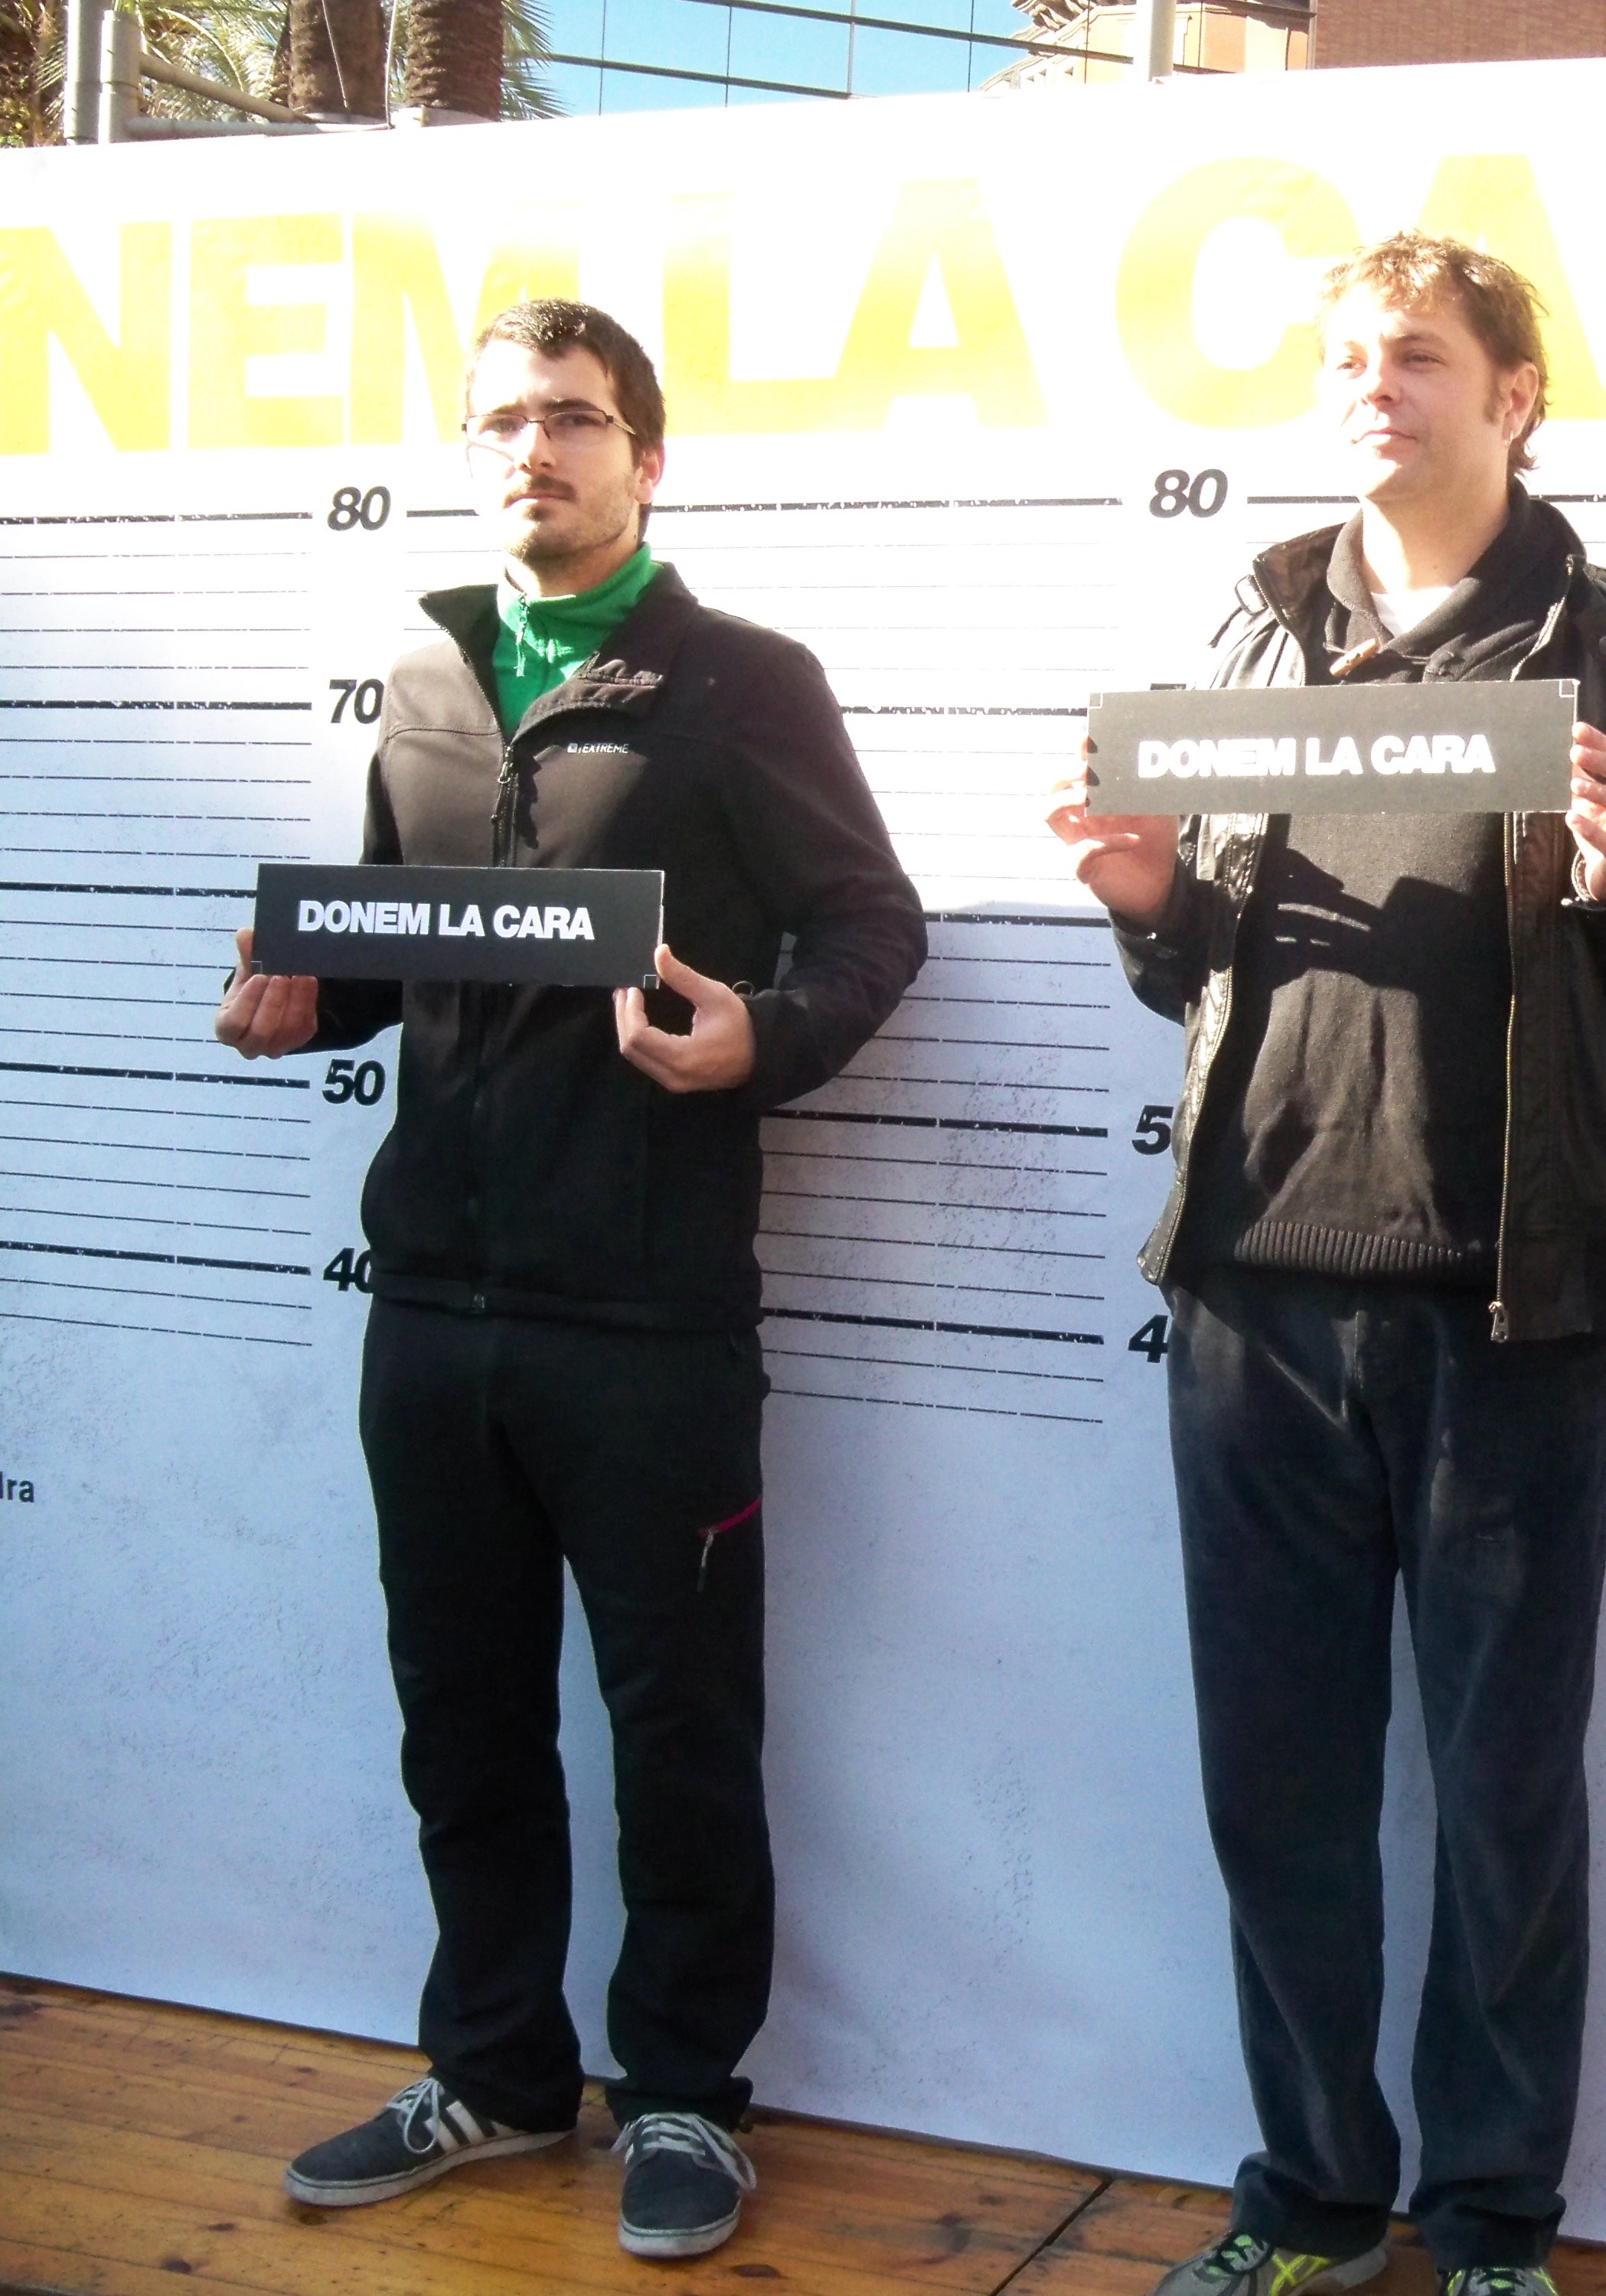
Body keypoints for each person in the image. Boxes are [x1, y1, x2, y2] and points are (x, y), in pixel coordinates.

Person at [1046, 232, 1606, 2296]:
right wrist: (1142, 901)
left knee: (1501, 1800)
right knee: (1277, 1794)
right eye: (1349, 360)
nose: (1374, 390)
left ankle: (1488, 2226)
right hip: (1249, 1293)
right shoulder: (1252, 631)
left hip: (1508, 1307)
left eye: (1421, 358)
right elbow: (1197, 966)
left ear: (1516, 396)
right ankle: (1307, 2198)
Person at [214, 298, 925, 2260]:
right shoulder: (423, 670)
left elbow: (871, 925)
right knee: (459, 1717)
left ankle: (683, 2096)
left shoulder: (743, 682)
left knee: (677, 1728)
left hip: (647, 1314)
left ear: (647, 458)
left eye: (577, 419)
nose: (537, 448)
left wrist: (762, 1040)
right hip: (431, 1301)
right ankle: (499, 2073)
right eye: (506, 421)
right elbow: (407, 949)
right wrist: (305, 1000)